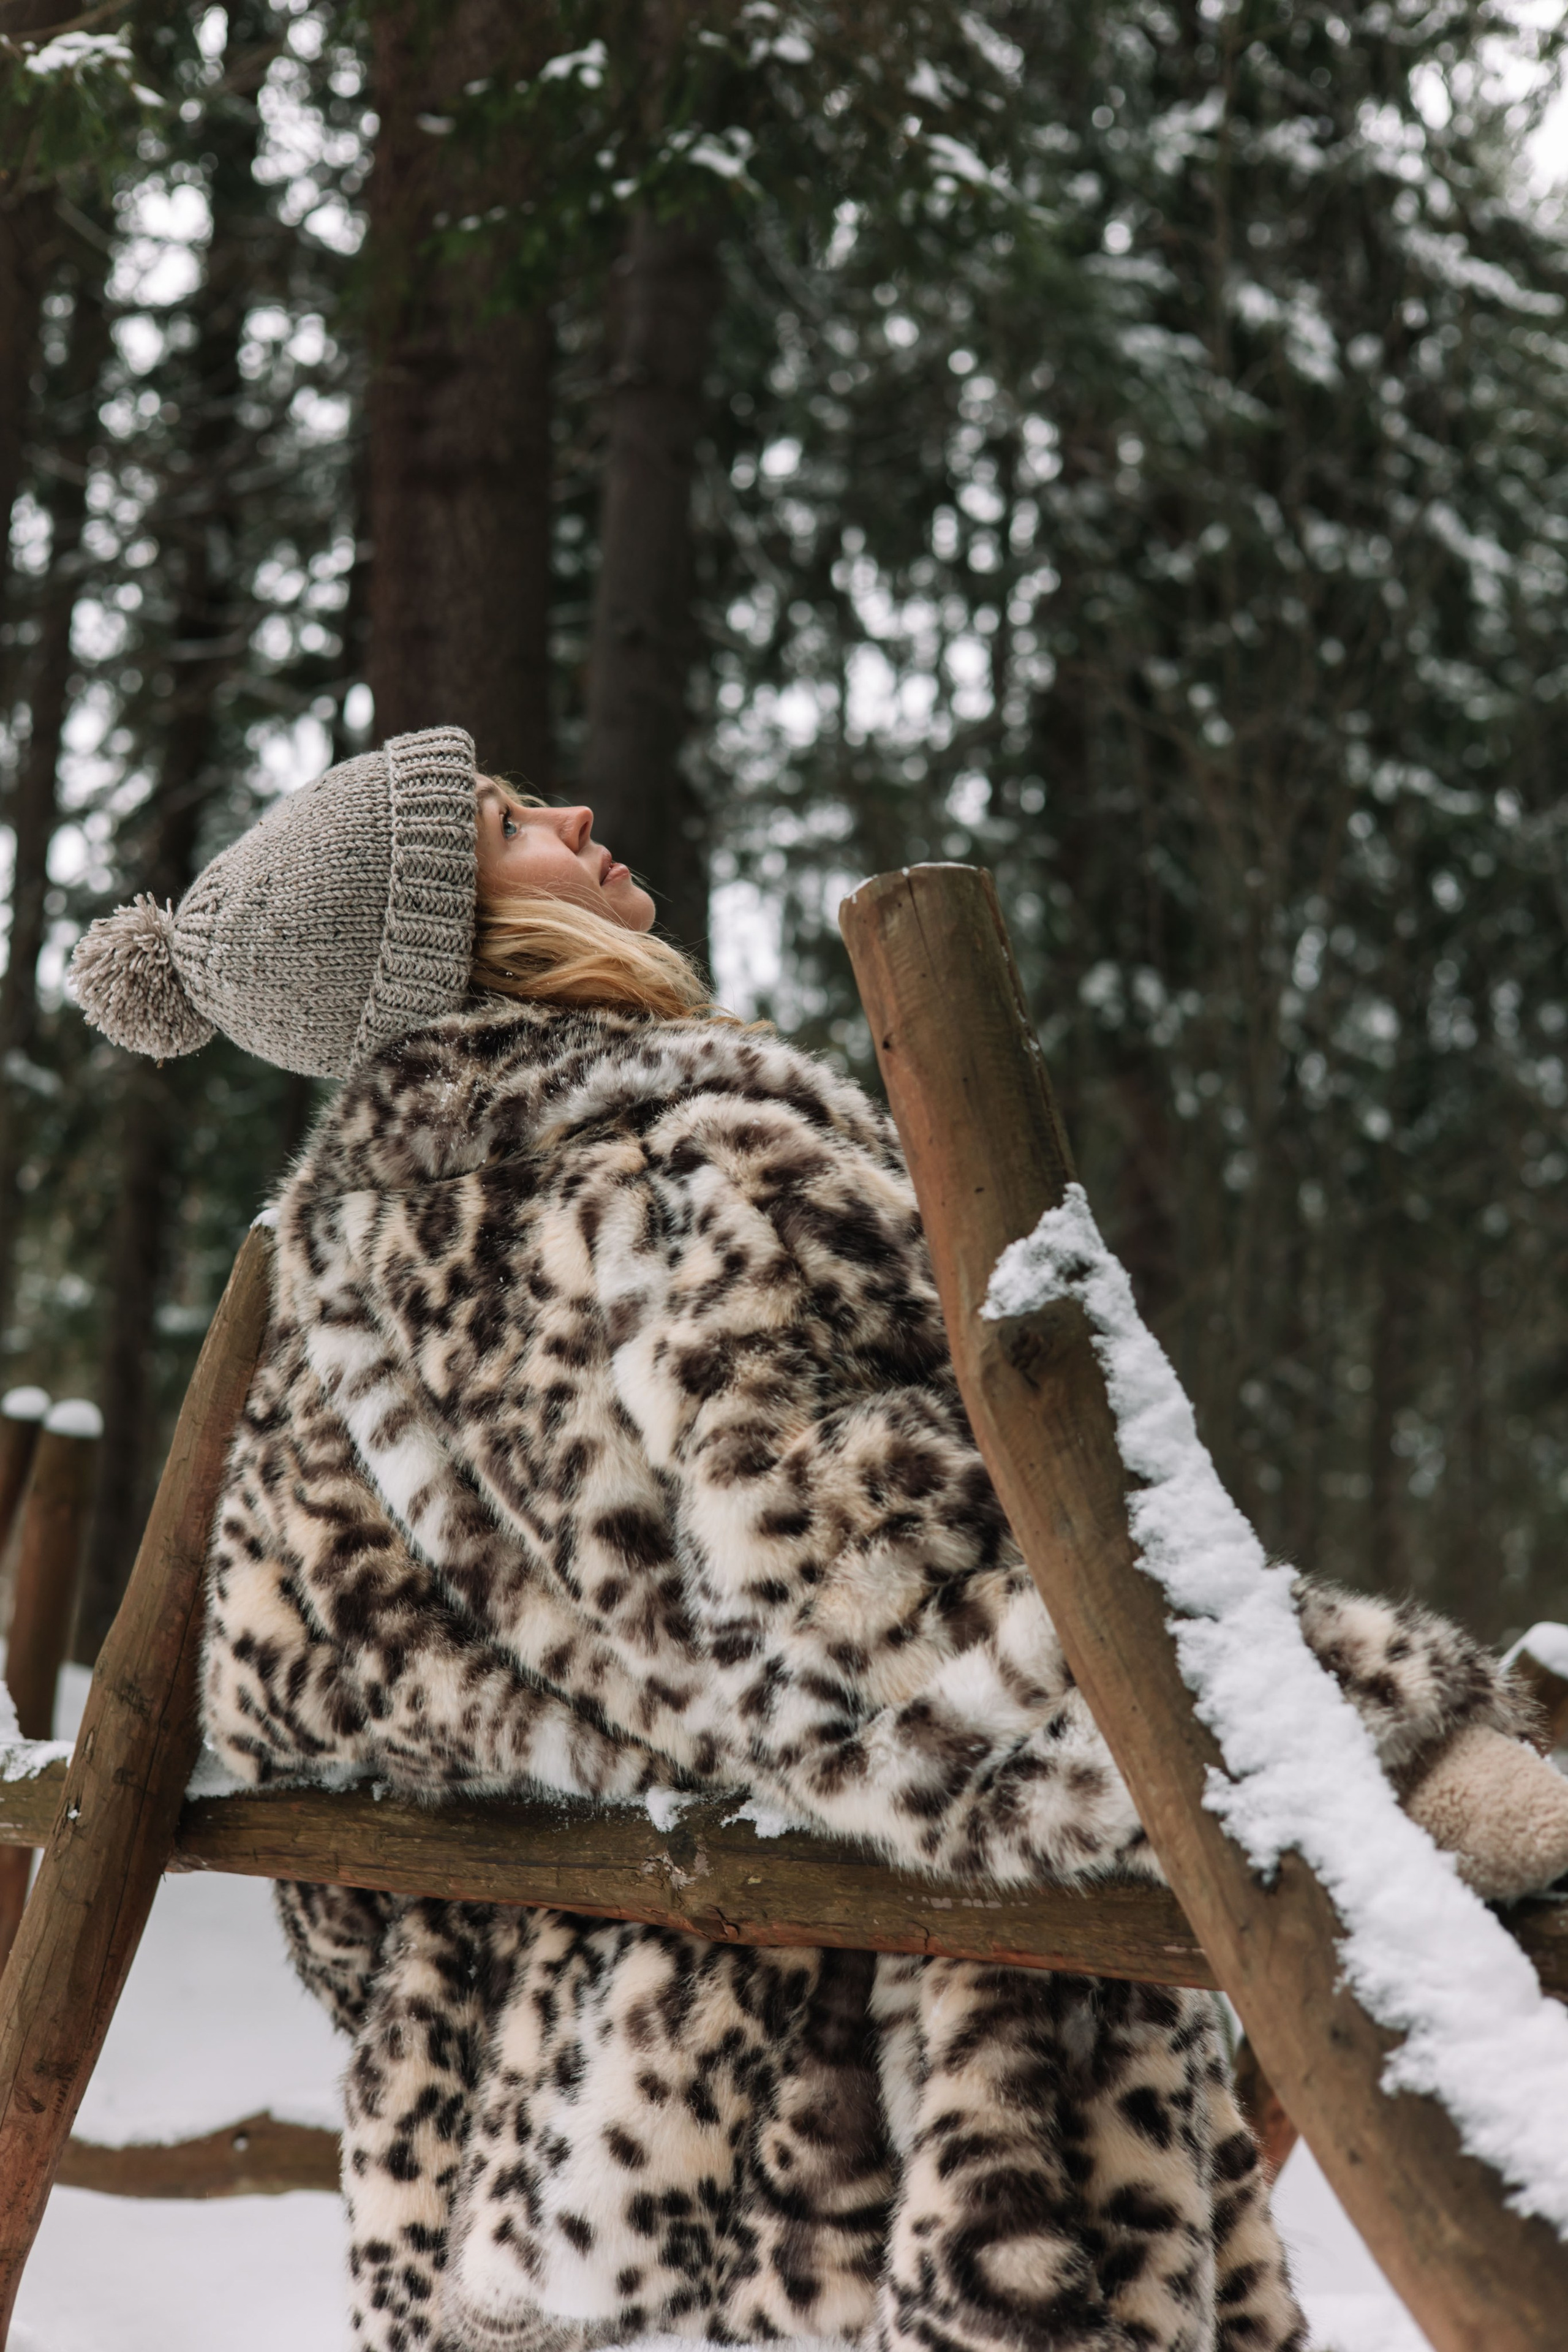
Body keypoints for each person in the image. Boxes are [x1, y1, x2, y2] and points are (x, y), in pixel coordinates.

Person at [71, 726, 1568, 2352]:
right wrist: (1378, 1716)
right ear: (449, 936)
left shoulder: (346, 1271)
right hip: (834, 2161)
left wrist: (550, 1848)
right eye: (507, 825)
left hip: (525, 2137)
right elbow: (884, 1622)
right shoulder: (682, 1165)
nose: (575, 810)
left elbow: (300, 1705)